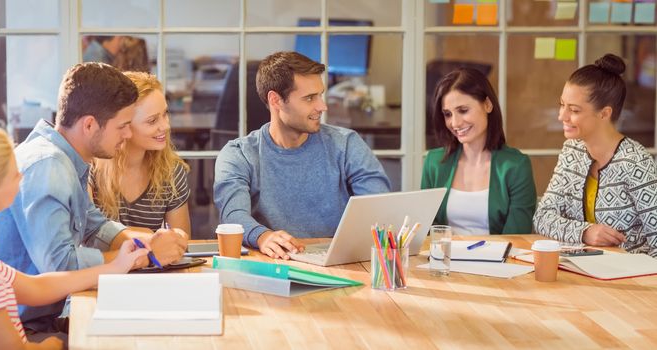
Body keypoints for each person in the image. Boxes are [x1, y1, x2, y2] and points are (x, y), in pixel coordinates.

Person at [0, 63, 187, 334]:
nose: (127, 135)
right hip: (22, 330)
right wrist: (145, 257)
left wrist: (148, 241)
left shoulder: (66, 158)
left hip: (38, 320)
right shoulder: (49, 167)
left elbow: (95, 225)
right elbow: (60, 266)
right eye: (122, 126)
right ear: (90, 125)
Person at [0, 127, 150, 349]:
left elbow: (35, 287)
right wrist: (55, 344)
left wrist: (115, 266)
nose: (22, 178)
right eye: (14, 174)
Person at [213, 51, 392, 260]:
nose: (322, 106)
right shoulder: (239, 154)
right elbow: (233, 216)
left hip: (340, 263)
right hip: (275, 264)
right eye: (309, 98)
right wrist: (262, 237)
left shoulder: (346, 144)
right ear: (276, 100)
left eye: (320, 94)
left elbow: (378, 206)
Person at [533, 54, 657, 257]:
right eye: (562, 105)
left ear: (605, 113)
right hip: (578, 271)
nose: (562, 116)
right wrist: (585, 232)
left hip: (628, 278)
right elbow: (542, 217)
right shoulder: (571, 152)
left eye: (573, 110)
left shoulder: (636, 163)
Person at [421, 68, 536, 235]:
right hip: (446, 259)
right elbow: (427, 231)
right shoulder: (434, 162)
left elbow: (517, 236)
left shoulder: (516, 166)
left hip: (499, 260)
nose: (455, 123)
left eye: (463, 110)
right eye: (447, 114)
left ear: (487, 105)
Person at [90, 71, 192, 235]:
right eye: (152, 121)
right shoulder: (91, 167)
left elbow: (181, 243)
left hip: (150, 260)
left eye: (165, 114)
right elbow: (87, 236)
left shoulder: (171, 170)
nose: (165, 126)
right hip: (106, 262)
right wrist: (150, 237)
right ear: (124, 125)